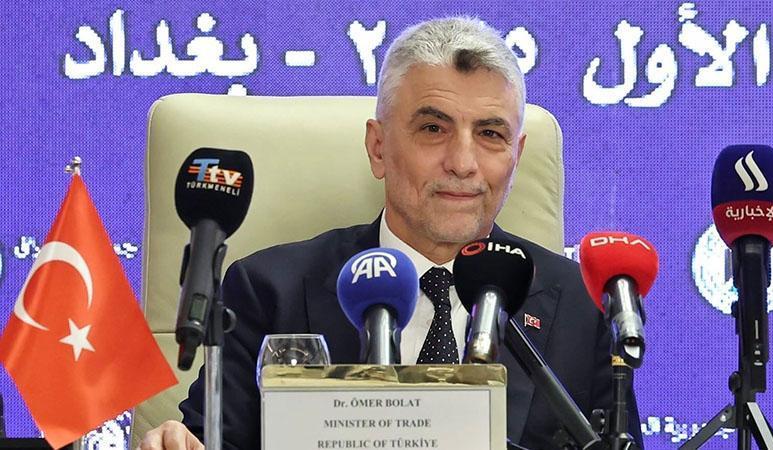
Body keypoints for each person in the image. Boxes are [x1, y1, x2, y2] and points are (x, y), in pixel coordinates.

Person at [138, 16, 642, 450]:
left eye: (490, 134)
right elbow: (209, 438)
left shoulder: (583, 306)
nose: (463, 163)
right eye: (433, 129)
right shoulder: (268, 290)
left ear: (516, 155)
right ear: (378, 147)